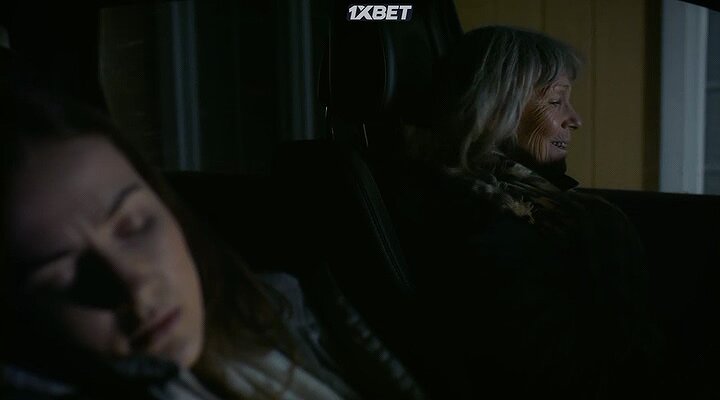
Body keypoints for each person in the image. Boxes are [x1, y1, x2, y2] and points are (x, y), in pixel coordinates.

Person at [0, 88, 424, 400]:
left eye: (133, 226)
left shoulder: (284, 308)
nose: (135, 285)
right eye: (61, 275)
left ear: (167, 207)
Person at [393, 26, 663, 399]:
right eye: (556, 101)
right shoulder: (484, 220)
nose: (575, 119)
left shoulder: (515, 202)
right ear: (495, 110)